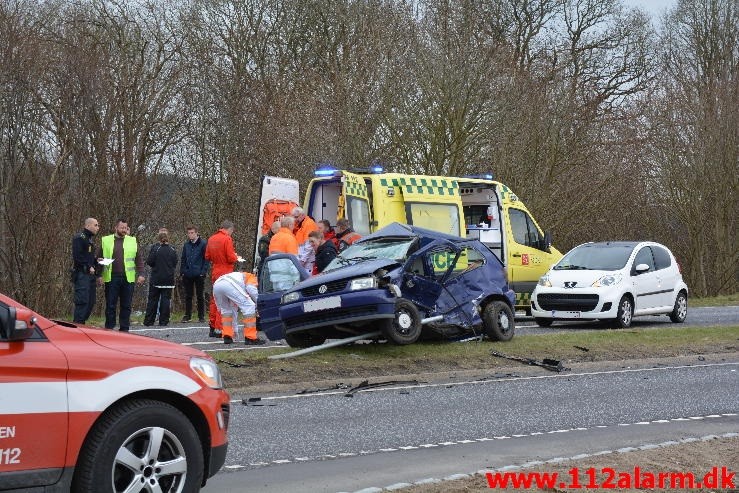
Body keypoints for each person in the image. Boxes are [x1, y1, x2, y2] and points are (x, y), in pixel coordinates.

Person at [98, 219, 146, 332]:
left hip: (127, 278)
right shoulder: (106, 240)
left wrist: (141, 274)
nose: (124, 230)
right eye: (122, 228)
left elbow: (138, 258)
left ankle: (124, 328)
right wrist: (98, 275)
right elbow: (99, 258)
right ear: (116, 227)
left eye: (125, 228)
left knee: (126, 305)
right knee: (110, 305)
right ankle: (109, 327)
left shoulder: (132, 240)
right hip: (111, 277)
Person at [205, 220, 239, 338]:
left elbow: (207, 256)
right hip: (225, 272)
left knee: (214, 300)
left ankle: (212, 326)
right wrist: (236, 257)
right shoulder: (227, 239)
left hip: (215, 271)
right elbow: (230, 258)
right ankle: (221, 328)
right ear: (229, 229)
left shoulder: (211, 239)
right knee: (224, 301)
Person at [212, 270, 264, 345]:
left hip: (217, 285)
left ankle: (227, 336)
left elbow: (234, 311)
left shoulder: (239, 276)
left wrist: (235, 330)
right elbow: (251, 289)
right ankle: (250, 337)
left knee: (226, 310)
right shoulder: (252, 276)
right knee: (249, 306)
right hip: (228, 284)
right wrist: (259, 303)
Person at [144, 230, 178, 326]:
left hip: (157, 277)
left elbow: (150, 261)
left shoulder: (156, 249)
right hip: (169, 278)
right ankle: (164, 321)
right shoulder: (172, 249)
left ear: (159, 239)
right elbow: (175, 262)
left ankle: (149, 320)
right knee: (166, 300)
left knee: (153, 299)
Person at [71, 217, 100, 323]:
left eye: (98, 225)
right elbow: (78, 256)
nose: (98, 228)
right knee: (82, 301)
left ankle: (82, 324)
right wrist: (88, 266)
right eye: (95, 225)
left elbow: (88, 257)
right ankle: (77, 326)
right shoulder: (80, 238)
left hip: (90, 275)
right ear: (87, 226)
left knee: (91, 302)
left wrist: (96, 261)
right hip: (82, 275)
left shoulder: (89, 239)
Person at [180, 226, 209, 323]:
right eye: (189, 233)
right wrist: (183, 271)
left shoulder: (203, 244)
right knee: (188, 295)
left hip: (199, 274)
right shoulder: (186, 245)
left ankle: (201, 316)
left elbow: (206, 259)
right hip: (188, 273)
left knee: (200, 295)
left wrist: (203, 272)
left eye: (192, 233)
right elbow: (183, 259)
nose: (190, 235)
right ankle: (187, 315)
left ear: (196, 233)